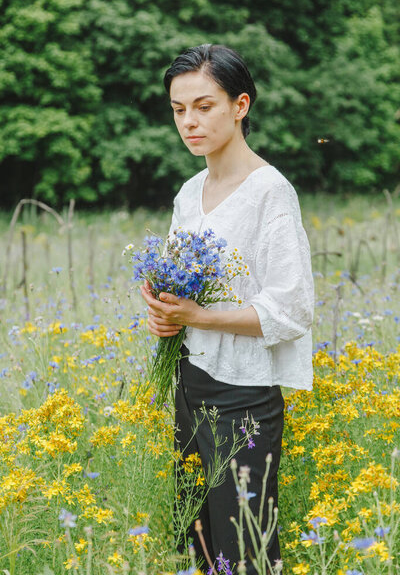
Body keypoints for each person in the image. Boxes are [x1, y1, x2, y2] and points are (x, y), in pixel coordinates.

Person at [140, 44, 314, 575]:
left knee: (245, 551)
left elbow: (291, 309)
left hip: (243, 396)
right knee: (198, 542)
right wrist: (162, 311)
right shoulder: (189, 193)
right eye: (178, 110)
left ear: (240, 106)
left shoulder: (269, 193)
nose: (188, 122)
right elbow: (178, 285)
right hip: (189, 382)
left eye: (204, 106)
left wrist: (200, 317)